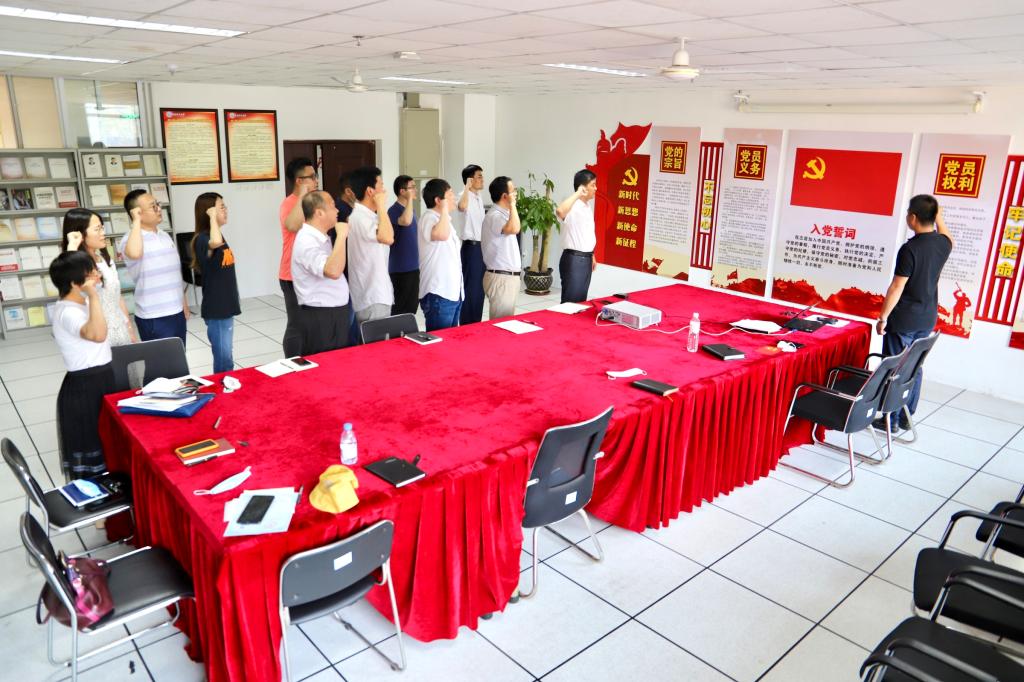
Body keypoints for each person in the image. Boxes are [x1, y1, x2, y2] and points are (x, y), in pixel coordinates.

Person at [876, 194, 954, 431]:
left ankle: (890, 420)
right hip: (927, 318)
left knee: (896, 367)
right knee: (914, 366)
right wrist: (938, 217)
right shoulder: (943, 244)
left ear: (913, 217)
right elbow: (948, 236)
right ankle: (905, 417)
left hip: (904, 319)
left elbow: (897, 286)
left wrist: (883, 317)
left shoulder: (910, 249)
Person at [49, 250, 115, 480]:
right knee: (93, 445)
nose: (97, 275)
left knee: (108, 440)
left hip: (100, 378)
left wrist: (92, 296)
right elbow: (97, 334)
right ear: (74, 283)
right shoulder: (67, 311)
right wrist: (93, 296)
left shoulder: (81, 302)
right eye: (91, 273)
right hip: (85, 387)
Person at [119, 189, 188, 344]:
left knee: (179, 355)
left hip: (176, 311)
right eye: (153, 206)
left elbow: (174, 273)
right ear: (137, 213)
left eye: (158, 204)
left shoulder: (164, 235)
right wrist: (136, 222)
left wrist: (183, 303)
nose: (159, 208)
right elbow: (134, 253)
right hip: (154, 315)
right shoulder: (130, 239)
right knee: (161, 359)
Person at [63, 208, 137, 348]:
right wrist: (72, 246)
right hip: (97, 338)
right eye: (97, 229)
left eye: (102, 228)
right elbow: (69, 282)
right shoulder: (78, 265)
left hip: (120, 331)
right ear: (80, 233)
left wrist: (129, 328)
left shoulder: (105, 259)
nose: (103, 233)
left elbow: (117, 296)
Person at [291, 191, 351, 355]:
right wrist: (342, 236)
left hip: (332, 313)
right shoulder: (307, 241)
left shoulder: (320, 236)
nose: (337, 210)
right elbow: (333, 271)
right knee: (325, 363)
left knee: (338, 362)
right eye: (332, 206)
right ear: (319, 212)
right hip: (321, 316)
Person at [191, 192, 239, 374]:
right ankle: (222, 387)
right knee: (223, 359)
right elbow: (215, 242)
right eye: (221, 207)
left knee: (226, 355)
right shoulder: (203, 239)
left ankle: (226, 384)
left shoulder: (217, 235)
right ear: (209, 211)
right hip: (217, 308)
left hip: (225, 305)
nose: (226, 210)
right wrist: (212, 216)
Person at [346, 166, 395, 330]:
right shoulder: (361, 217)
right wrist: (381, 205)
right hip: (372, 296)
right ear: (370, 191)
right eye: (381, 185)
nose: (384, 190)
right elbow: (388, 238)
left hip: (375, 294)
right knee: (376, 343)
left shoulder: (368, 216)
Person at [279, 157, 318, 357]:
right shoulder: (290, 203)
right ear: (299, 181)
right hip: (292, 274)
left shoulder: (313, 201)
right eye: (312, 177)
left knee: (311, 322)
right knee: (297, 323)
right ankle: (292, 361)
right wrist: (303, 194)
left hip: (311, 271)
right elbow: (293, 225)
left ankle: (309, 357)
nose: (316, 180)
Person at [419, 179, 464, 331]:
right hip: (438, 293)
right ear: (438, 200)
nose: (454, 198)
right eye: (450, 195)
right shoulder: (428, 217)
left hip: (451, 292)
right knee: (439, 340)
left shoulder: (444, 220)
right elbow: (441, 235)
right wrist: (444, 210)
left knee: (450, 339)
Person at [481, 176, 521, 320]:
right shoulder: (495, 216)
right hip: (501, 278)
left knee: (506, 321)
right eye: (513, 191)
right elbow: (515, 228)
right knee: (501, 324)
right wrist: (513, 205)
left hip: (505, 278)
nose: (516, 193)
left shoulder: (503, 214)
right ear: (505, 196)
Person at [555, 170, 598, 303]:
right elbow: (559, 211)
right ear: (583, 187)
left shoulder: (587, 206)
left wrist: (592, 254)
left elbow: (586, 233)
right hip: (574, 260)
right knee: (570, 303)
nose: (596, 188)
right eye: (593, 185)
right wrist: (578, 193)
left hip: (586, 259)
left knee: (580, 302)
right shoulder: (573, 205)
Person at [457, 164, 486, 324]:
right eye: (479, 176)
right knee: (471, 288)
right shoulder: (463, 195)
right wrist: (467, 188)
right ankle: (467, 324)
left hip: (481, 247)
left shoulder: (478, 197)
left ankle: (476, 322)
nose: (482, 179)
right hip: (471, 247)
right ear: (470, 180)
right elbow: (461, 207)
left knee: (479, 289)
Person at [388, 175, 420, 315]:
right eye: (412, 187)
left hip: (413, 267)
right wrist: (409, 200)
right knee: (400, 309)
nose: (415, 190)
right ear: (402, 191)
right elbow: (406, 221)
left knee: (412, 307)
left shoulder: (410, 210)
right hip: (400, 269)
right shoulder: (393, 210)